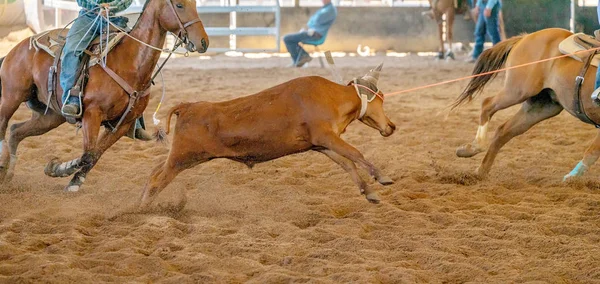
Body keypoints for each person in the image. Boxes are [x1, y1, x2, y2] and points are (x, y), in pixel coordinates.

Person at [60, 0, 152, 140]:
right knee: (72, 49)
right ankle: (71, 99)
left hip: (114, 18)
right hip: (88, 17)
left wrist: (113, 6)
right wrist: (96, 6)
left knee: (134, 55)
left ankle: (135, 119)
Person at [283, 0, 337, 68]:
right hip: (311, 32)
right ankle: (301, 58)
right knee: (290, 39)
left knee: (287, 38)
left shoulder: (330, 10)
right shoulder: (325, 9)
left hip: (315, 34)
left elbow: (316, 20)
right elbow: (313, 20)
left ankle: (301, 58)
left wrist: (308, 28)